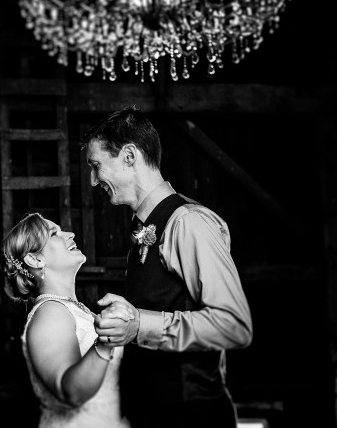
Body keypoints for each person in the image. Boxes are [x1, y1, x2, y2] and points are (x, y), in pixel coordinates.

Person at [81, 106, 253, 428]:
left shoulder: (187, 222)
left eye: (96, 166)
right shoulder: (145, 228)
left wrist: (139, 326)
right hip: (154, 414)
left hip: (191, 416)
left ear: (129, 156)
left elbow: (233, 325)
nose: (93, 181)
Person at [2, 212, 132, 428]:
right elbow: (71, 391)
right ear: (35, 259)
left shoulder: (69, 309)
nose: (70, 234)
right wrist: (106, 340)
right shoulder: (50, 313)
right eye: (55, 233)